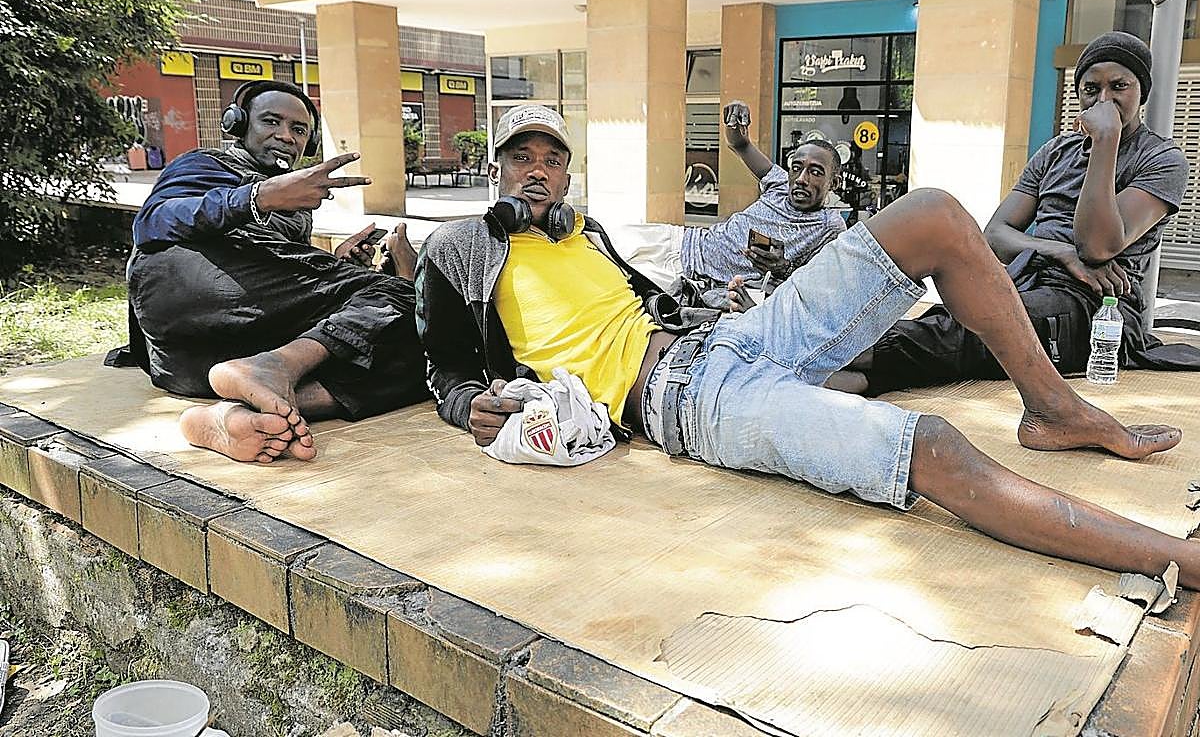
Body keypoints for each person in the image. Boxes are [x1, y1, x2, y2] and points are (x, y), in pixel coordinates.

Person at [416, 103, 1200, 592]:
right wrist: (466, 404)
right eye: (524, 156)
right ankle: (1179, 560)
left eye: (554, 160)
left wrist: (696, 302)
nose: (540, 172)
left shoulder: (586, 235)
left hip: (728, 338)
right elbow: (437, 365)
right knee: (930, 445)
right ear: (497, 165)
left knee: (931, 212)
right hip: (686, 402)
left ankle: (1055, 409)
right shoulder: (457, 248)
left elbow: (640, 306)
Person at [107, 80, 429, 463]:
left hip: (205, 368)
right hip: (181, 301)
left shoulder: (298, 204)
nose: (285, 136)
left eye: (298, 130)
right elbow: (153, 223)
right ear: (239, 124)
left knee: (433, 353)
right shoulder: (206, 163)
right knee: (407, 298)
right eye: (271, 121)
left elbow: (279, 283)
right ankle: (277, 368)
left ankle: (239, 414)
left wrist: (340, 266)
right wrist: (260, 197)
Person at [862, 31, 1200, 395]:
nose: (1104, 100)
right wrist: (1060, 252)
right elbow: (995, 235)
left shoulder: (1162, 159)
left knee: (974, 330)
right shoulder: (1056, 152)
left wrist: (1106, 141)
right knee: (953, 314)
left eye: (1119, 86)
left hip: (1096, 308)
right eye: (1091, 89)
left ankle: (840, 359)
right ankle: (847, 367)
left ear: (1141, 92)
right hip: (1026, 282)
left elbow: (1098, 247)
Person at [611, 100, 845, 290]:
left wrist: (784, 269)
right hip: (680, 241)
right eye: (797, 167)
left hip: (689, 275)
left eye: (815, 172)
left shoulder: (829, 226)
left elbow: (818, 289)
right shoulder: (780, 183)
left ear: (833, 183)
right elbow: (740, 144)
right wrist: (735, 120)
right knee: (600, 240)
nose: (802, 178)